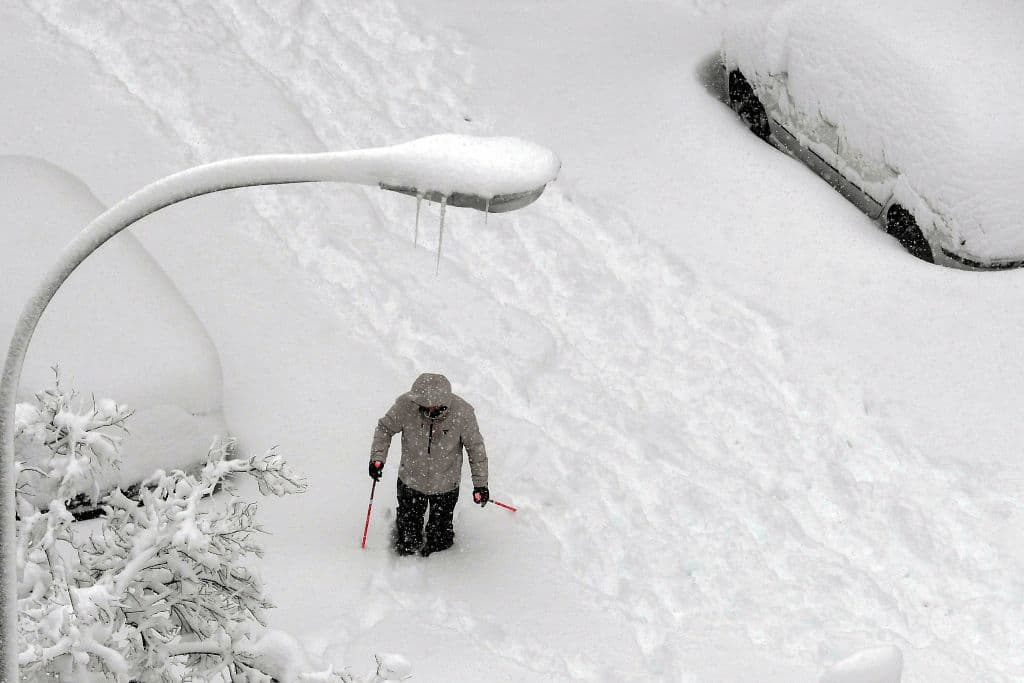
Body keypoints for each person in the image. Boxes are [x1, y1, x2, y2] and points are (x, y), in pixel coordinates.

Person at [369, 373, 489, 556]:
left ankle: (436, 563)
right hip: (411, 480)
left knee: (440, 541)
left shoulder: (462, 413)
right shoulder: (406, 405)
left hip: (446, 485)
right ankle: (406, 555)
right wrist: (377, 458)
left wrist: (480, 485)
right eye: (424, 407)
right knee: (407, 540)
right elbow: (384, 429)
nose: (428, 412)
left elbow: (476, 450)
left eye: (434, 408)